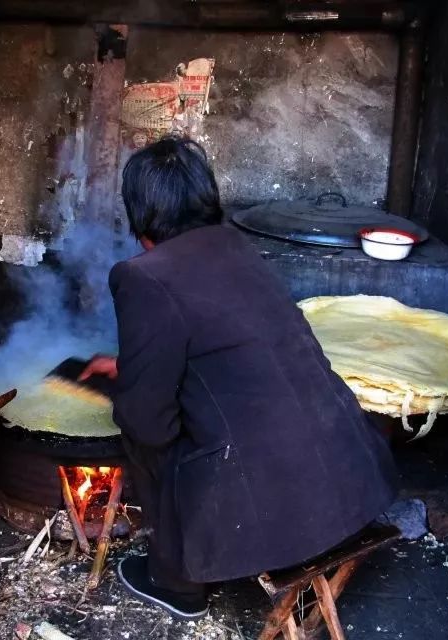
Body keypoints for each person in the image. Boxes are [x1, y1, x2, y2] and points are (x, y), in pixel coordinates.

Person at [80, 136, 398, 620]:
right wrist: (132, 365)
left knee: (140, 425)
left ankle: (179, 582)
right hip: (351, 484)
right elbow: (230, 350)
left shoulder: (142, 275)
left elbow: (148, 421)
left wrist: (130, 386)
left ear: (138, 215)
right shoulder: (237, 246)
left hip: (276, 510)